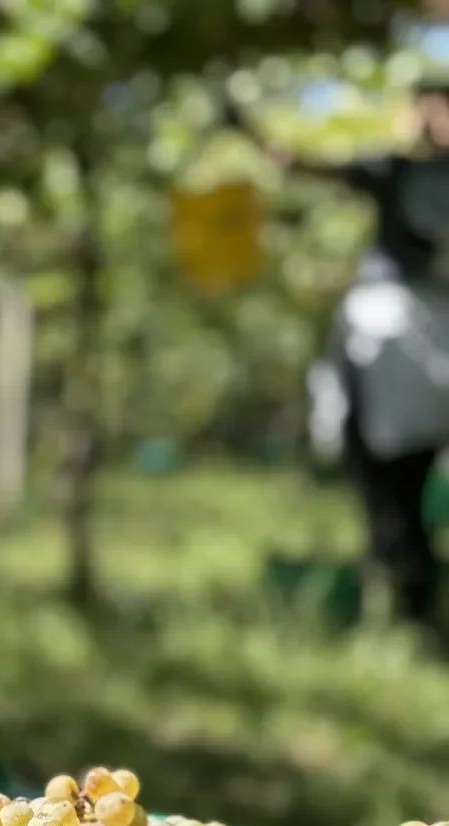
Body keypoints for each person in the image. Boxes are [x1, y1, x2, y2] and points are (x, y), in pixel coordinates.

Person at [231, 81, 449, 629]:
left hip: (422, 334)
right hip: (397, 334)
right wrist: (251, 132)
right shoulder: (391, 170)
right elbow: (302, 163)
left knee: (400, 473)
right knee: (386, 475)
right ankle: (407, 598)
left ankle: (411, 596)